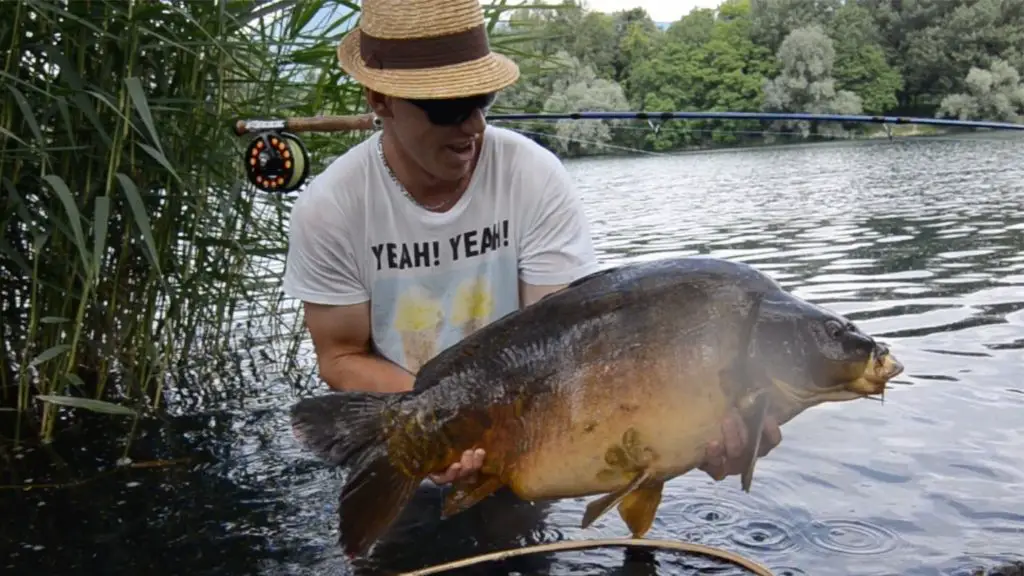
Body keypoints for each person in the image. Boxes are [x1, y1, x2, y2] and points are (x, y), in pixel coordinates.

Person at [282, 0, 781, 491]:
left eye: (482, 101)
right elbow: (341, 356)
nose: (474, 125)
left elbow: (564, 345)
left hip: (531, 437)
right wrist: (438, 425)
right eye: (448, 107)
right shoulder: (331, 209)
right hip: (410, 442)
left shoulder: (533, 176)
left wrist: (685, 435)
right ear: (379, 99)